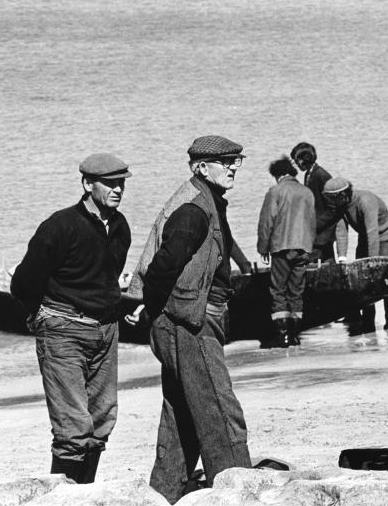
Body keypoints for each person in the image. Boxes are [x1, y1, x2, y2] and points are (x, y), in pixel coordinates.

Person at [127, 135, 253, 504]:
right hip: (188, 323)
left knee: (182, 414)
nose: (233, 166)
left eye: (237, 160)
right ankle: (238, 492)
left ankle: (162, 494)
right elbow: (163, 266)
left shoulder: (204, 200)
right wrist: (151, 307)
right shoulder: (194, 210)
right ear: (201, 167)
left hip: (184, 321)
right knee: (219, 410)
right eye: (226, 161)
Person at [10, 153, 132, 484]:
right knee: (73, 427)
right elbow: (23, 283)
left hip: (105, 331)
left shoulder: (120, 227)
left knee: (102, 420)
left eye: (121, 183)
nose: (118, 189)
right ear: (87, 184)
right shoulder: (60, 226)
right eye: (109, 183)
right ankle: (63, 499)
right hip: (63, 330)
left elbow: (107, 278)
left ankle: (84, 493)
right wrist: (44, 316)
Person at [320, 177, 388, 344]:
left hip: (383, 236)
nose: (330, 203)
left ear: (342, 195)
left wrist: (373, 263)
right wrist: (341, 259)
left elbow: (372, 232)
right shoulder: (340, 206)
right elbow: (341, 233)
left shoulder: (366, 200)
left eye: (331, 199)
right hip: (366, 237)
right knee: (362, 281)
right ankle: (368, 321)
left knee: (384, 278)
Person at [257, 156, 315, 348]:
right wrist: (310, 247)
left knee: (278, 290)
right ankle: (296, 334)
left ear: (278, 175)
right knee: (296, 291)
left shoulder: (275, 191)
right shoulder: (307, 192)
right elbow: (312, 222)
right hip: (304, 247)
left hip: (282, 247)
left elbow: (267, 222)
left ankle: (283, 336)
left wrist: (263, 248)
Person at [290, 142, 346, 263]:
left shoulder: (321, 175)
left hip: (323, 233)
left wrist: (317, 225)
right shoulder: (309, 174)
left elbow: (334, 208)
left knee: (317, 263)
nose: (295, 164)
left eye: (296, 160)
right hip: (319, 233)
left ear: (303, 159)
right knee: (327, 262)